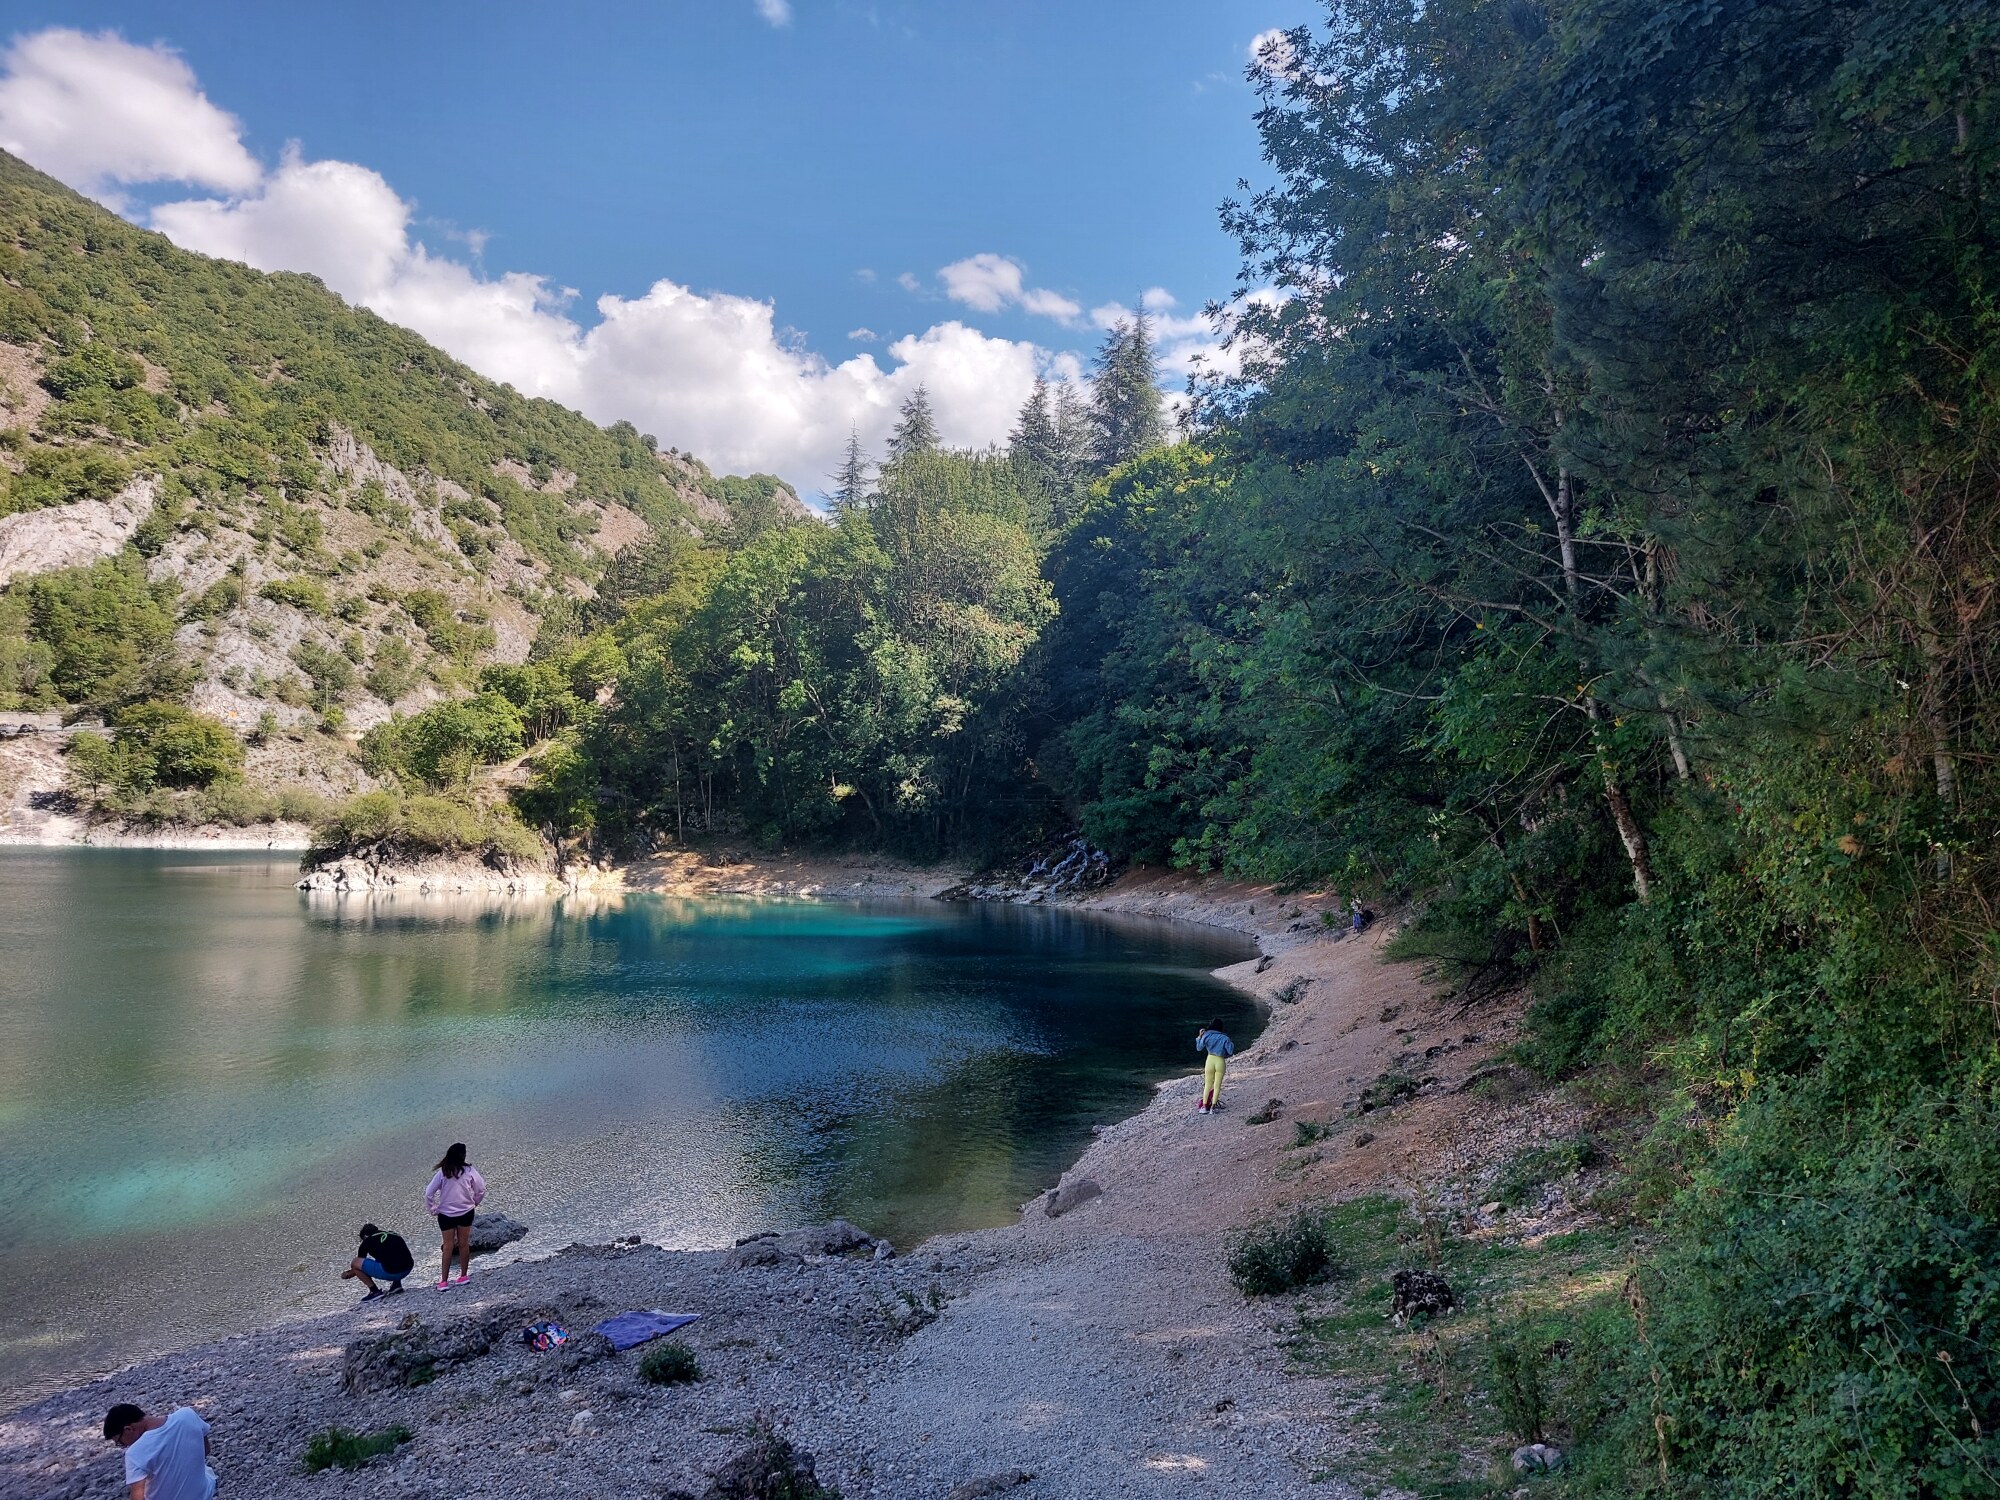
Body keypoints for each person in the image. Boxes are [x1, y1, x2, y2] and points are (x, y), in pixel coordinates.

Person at [102, 1403, 214, 1500]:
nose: (123, 1446)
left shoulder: (135, 1452)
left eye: (120, 1442)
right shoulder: (187, 1415)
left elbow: (138, 1497)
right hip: (204, 1494)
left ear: (128, 1429)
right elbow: (206, 1450)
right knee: (207, 1471)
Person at [424, 1142, 485, 1290]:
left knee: (448, 1246)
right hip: (466, 1212)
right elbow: (481, 1189)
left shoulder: (443, 1173)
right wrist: (474, 1203)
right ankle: (463, 1276)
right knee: (464, 1244)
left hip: (445, 1214)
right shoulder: (470, 1171)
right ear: (463, 1155)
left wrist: (433, 1209)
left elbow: (428, 1193)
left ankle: (444, 1281)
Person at [341, 1221, 415, 1302]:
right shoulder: (392, 1234)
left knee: (355, 1262)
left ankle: (374, 1291)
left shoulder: (367, 1241)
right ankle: (396, 1285)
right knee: (390, 1255)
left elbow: (357, 1266)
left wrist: (347, 1274)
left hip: (392, 1272)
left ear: (365, 1236)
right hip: (408, 1268)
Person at [1195, 1020, 1235, 1114]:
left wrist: (1199, 1037)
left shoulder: (1206, 1035)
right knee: (1217, 1085)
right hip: (1220, 1061)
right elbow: (1230, 1051)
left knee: (1208, 1084)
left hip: (1210, 1060)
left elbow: (1199, 1048)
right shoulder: (1225, 1037)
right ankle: (1213, 1107)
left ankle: (1204, 1107)